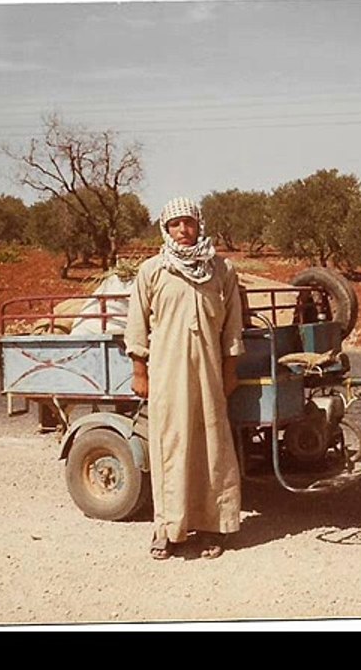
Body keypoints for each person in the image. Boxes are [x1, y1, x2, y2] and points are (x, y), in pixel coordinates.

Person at [123, 196, 245, 560]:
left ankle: (213, 527)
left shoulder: (221, 269)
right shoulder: (153, 270)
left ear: (199, 225)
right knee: (170, 446)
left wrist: (229, 371)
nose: (183, 230)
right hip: (166, 373)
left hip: (209, 372)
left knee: (211, 447)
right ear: (166, 228)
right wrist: (139, 371)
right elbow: (137, 324)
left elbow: (232, 326)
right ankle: (167, 529)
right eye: (175, 224)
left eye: (188, 222)